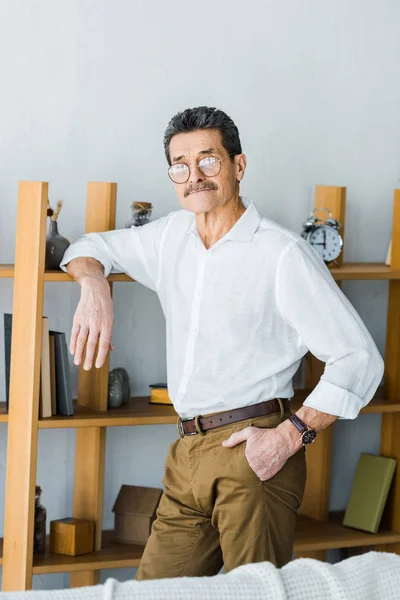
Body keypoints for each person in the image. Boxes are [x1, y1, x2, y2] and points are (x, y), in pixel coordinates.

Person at [60, 106, 384, 580]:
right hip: (186, 453)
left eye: (209, 160)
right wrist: (94, 287)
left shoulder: (281, 253)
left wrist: (289, 436)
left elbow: (358, 359)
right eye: (180, 165)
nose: (194, 176)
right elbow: (88, 248)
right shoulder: (170, 236)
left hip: (254, 450)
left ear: (238, 165)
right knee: (154, 594)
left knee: (253, 595)